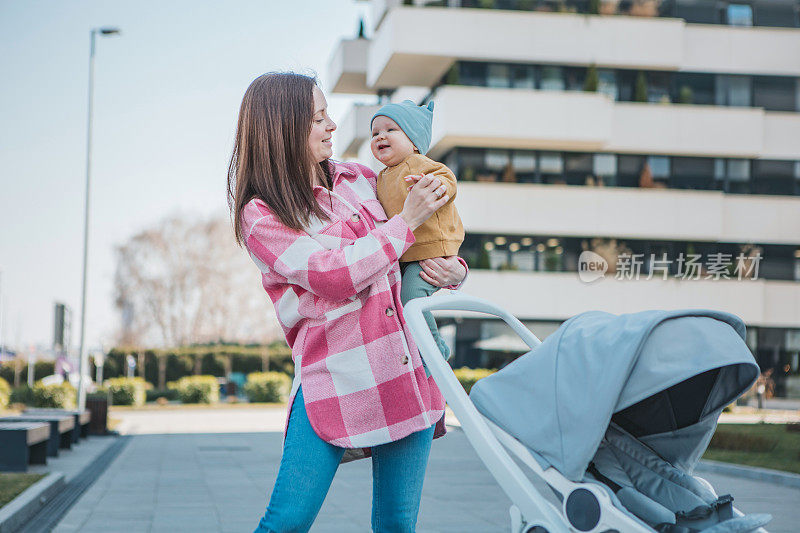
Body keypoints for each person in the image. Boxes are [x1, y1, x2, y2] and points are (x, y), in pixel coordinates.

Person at [227, 72, 468, 533]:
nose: (332, 125)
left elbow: (418, 247)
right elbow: (332, 275)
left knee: (397, 525)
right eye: (318, 118)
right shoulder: (262, 216)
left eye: (327, 114)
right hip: (335, 379)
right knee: (287, 522)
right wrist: (407, 222)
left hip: (404, 369)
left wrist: (456, 270)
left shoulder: (360, 178)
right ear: (283, 127)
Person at [370, 100, 465, 374]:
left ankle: (435, 351)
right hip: (407, 253)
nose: (381, 136)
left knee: (412, 296)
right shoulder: (380, 176)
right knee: (400, 302)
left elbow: (445, 176)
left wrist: (434, 186)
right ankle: (415, 351)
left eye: (391, 129)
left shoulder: (416, 163)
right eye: (375, 133)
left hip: (430, 250)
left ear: (413, 142)